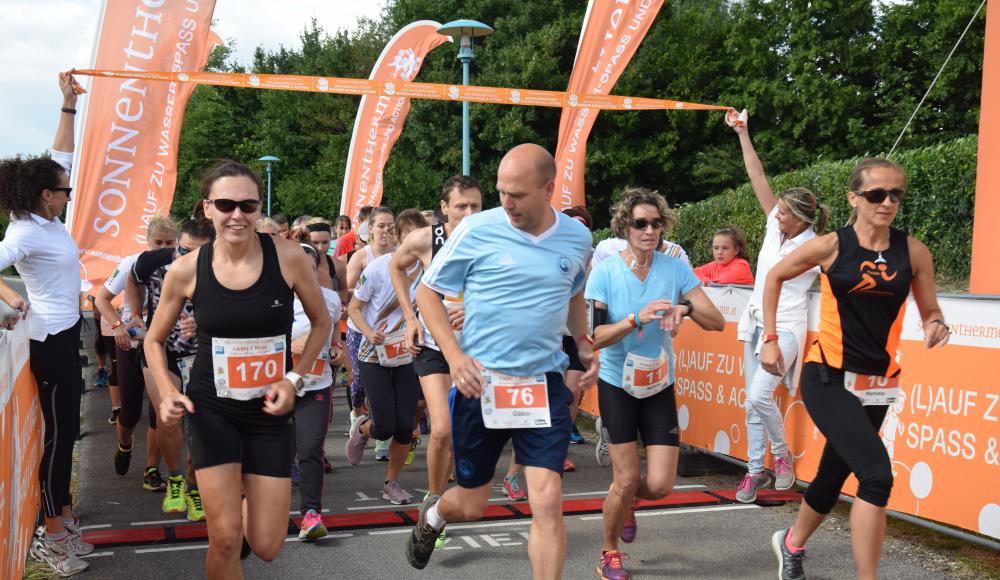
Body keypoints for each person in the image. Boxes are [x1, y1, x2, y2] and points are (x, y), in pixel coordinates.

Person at [405, 144, 597, 579]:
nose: (506, 203)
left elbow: (573, 292)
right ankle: (434, 516)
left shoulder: (578, 238)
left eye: (517, 194)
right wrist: (453, 357)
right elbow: (426, 293)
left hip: (542, 384)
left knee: (546, 498)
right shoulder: (476, 229)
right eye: (501, 192)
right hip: (481, 383)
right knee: (471, 502)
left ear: (548, 189)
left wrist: (582, 341)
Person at [763, 158, 950, 580]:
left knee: (834, 473)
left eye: (895, 194)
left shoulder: (913, 251)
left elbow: (931, 307)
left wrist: (937, 323)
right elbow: (774, 276)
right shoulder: (832, 245)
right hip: (826, 375)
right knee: (876, 477)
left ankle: (791, 543)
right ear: (854, 198)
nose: (887, 202)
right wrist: (770, 338)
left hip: (878, 383)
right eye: (876, 194)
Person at [145, 160, 331, 579]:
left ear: (260, 209)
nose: (237, 215)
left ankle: (241, 506)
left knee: (266, 545)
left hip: (268, 415)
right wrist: (167, 391)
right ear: (207, 208)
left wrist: (294, 377)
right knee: (225, 539)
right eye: (226, 204)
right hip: (214, 413)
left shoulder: (287, 258)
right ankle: (227, 521)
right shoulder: (188, 269)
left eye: (249, 206)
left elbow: (322, 323)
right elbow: (153, 340)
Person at [586, 188, 724, 579]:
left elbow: (716, 321)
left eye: (656, 223)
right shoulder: (606, 272)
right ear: (624, 228)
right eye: (640, 223)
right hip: (617, 383)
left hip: (659, 382)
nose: (649, 230)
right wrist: (636, 318)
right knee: (626, 478)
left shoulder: (674, 267)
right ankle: (609, 551)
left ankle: (626, 500)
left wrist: (685, 307)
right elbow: (593, 338)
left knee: (661, 485)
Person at [0, 71, 92, 577]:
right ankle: (50, 536)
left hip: (62, 335)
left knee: (66, 436)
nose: (69, 191)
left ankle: (66, 520)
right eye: (65, 190)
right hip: (50, 341)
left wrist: (67, 105)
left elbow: (62, 157)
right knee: (58, 440)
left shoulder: (46, 220)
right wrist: (7, 301)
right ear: (45, 195)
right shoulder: (22, 232)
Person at [727, 110, 830, 503]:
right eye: (779, 209)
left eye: (784, 211)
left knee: (758, 397)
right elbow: (757, 176)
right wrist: (743, 132)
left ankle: (782, 457)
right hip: (753, 322)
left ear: (802, 218)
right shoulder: (775, 225)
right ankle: (755, 472)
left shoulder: (816, 245)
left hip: (786, 327)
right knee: (753, 404)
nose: (776, 213)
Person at [391, 175, 483, 515]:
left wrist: (474, 308)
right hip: (434, 348)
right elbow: (396, 267)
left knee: (465, 430)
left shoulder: (493, 240)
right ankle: (433, 500)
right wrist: (410, 318)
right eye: (461, 206)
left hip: (476, 348)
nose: (469, 212)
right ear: (444, 208)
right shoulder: (425, 239)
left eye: (476, 205)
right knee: (442, 429)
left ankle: (450, 493)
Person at [126, 218, 214, 521]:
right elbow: (131, 279)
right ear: (176, 245)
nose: (191, 259)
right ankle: (175, 478)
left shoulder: (224, 269)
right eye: (185, 251)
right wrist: (136, 314)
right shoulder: (153, 261)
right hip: (160, 349)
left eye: (200, 254)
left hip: (202, 353)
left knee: (203, 427)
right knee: (168, 417)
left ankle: (194, 488)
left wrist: (204, 321)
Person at [346, 209, 428, 504]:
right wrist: (369, 332)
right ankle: (363, 427)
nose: (418, 242)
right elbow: (354, 308)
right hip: (373, 353)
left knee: (406, 424)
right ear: (398, 237)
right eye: (410, 236)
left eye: (423, 235)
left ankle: (391, 483)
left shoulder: (428, 267)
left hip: (406, 352)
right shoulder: (379, 268)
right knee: (385, 426)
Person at [94, 214, 179, 492]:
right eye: (158, 242)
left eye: (170, 242)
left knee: (158, 412)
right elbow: (101, 299)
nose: (164, 247)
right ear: (147, 241)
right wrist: (119, 325)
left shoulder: (182, 262)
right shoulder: (133, 262)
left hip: (165, 343)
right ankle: (125, 445)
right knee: (130, 412)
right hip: (133, 340)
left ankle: (151, 469)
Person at [291, 242, 344, 540]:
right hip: (278, 387)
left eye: (311, 269)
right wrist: (289, 346)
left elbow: (335, 326)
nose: (306, 275)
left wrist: (336, 347)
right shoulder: (275, 299)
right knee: (274, 453)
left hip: (317, 384)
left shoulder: (330, 298)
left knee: (311, 450)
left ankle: (311, 515)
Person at [345, 206, 397, 460]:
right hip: (361, 330)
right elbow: (348, 290)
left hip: (393, 334)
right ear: (371, 229)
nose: (386, 230)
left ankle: (382, 442)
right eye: (381, 225)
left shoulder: (401, 256)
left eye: (390, 225)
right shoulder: (362, 256)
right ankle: (358, 418)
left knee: (386, 387)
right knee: (358, 385)